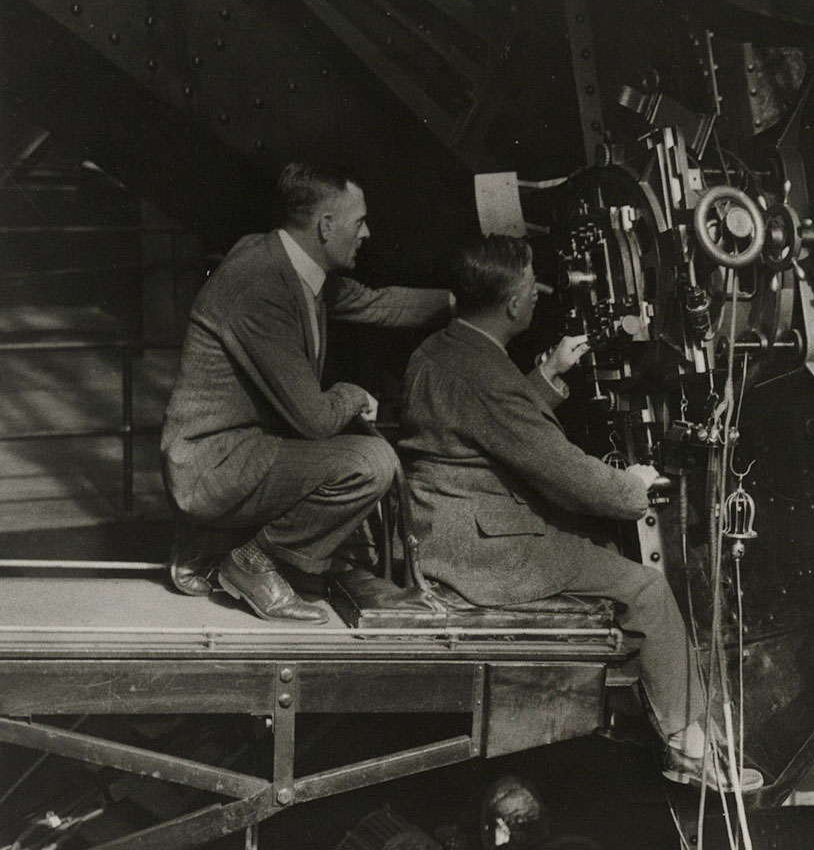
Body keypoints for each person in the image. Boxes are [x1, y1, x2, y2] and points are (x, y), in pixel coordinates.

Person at [398, 234, 757, 790]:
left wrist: (547, 377)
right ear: (513, 304)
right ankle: (690, 750)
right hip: (482, 550)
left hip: (438, 529)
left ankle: (654, 699)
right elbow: (564, 474)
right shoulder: (488, 376)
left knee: (599, 553)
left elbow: (479, 421)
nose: (538, 294)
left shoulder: (438, 351)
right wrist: (632, 487)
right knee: (645, 590)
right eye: (529, 285)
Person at [160, 162, 452, 622]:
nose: (367, 233)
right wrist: (354, 394)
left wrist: (463, 300)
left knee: (348, 449)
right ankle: (251, 560)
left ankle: (210, 539)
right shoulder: (259, 285)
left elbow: (376, 304)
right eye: (359, 222)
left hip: (241, 448)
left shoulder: (288, 261)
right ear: (326, 226)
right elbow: (313, 418)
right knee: (371, 463)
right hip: (211, 465)